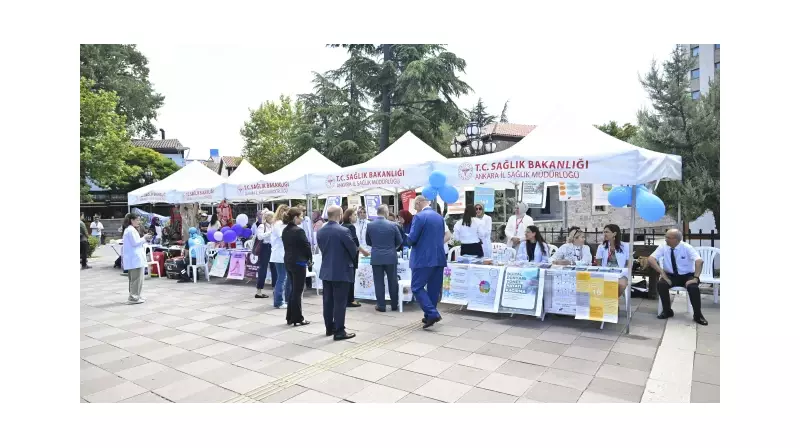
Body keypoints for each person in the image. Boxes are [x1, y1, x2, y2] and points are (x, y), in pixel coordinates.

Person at [648, 229, 708, 325]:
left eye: (668, 237)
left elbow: (699, 261)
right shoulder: (663, 246)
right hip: (670, 275)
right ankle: (667, 311)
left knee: (693, 288)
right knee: (661, 284)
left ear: (676, 239)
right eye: (666, 237)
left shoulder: (686, 247)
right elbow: (651, 259)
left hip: (687, 275)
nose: (665, 239)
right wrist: (662, 273)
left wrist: (695, 278)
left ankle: (698, 315)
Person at [317, 205, 357, 340]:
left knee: (328, 301)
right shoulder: (343, 231)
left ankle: (329, 327)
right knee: (340, 302)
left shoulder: (321, 231)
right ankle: (339, 330)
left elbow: (323, 249)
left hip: (327, 270)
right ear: (340, 215)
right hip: (342, 270)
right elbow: (353, 250)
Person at [408, 195, 447, 328]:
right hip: (439, 257)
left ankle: (432, 313)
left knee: (417, 287)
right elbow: (442, 236)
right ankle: (429, 315)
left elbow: (412, 239)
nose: (415, 209)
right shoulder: (439, 217)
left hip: (423, 258)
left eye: (414, 206)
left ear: (419, 203)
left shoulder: (419, 217)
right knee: (433, 289)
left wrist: (403, 237)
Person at [365, 205, 404, 312]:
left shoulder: (370, 225)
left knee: (378, 282)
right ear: (386, 213)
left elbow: (368, 242)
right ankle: (394, 304)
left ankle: (381, 305)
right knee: (393, 281)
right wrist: (392, 248)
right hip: (391, 256)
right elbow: (400, 241)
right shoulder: (393, 225)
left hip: (377, 256)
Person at [282, 207, 312, 326]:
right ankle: (297, 318)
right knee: (297, 291)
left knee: (293, 290)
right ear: (295, 217)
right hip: (298, 262)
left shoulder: (286, 230)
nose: (302, 218)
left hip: (289, 261)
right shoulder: (298, 231)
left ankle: (290, 317)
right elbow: (306, 246)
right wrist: (309, 259)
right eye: (300, 216)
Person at [122, 213, 152, 304]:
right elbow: (135, 243)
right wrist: (145, 238)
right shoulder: (130, 230)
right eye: (137, 220)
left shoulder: (131, 230)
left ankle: (136, 295)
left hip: (134, 258)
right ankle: (133, 297)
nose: (139, 222)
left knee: (137, 278)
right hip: (135, 258)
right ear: (132, 220)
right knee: (136, 279)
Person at [343, 208, 370, 307]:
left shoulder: (342, 225)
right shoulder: (351, 227)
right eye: (355, 214)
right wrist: (364, 252)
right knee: (351, 278)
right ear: (350, 216)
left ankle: (346, 299)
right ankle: (350, 300)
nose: (356, 216)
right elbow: (355, 243)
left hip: (344, 257)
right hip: (352, 256)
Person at [595, 224, 630, 297]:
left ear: (614, 233)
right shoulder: (601, 247)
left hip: (621, 273)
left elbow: (628, 263)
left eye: (607, 232)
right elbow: (599, 264)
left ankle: (613, 301)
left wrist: (623, 273)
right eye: (604, 232)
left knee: (622, 284)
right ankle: (612, 303)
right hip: (605, 272)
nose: (604, 234)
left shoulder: (625, 246)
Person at [270, 205, 290, 309]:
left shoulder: (279, 223)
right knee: (282, 278)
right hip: (280, 254)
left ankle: (282, 300)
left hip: (281, 254)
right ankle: (278, 301)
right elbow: (283, 236)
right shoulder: (278, 224)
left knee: (283, 278)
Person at [254, 209, 274, 299]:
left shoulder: (273, 226)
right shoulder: (262, 226)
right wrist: (270, 233)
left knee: (275, 269)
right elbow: (260, 236)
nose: (274, 218)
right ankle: (259, 291)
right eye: (272, 217)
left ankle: (275, 289)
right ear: (268, 218)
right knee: (263, 269)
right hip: (265, 248)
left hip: (273, 248)